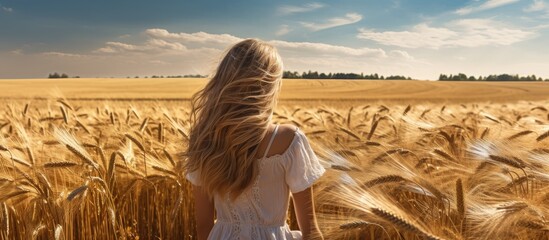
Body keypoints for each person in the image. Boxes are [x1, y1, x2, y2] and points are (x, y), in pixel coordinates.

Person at [184, 39, 325, 240]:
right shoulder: (289, 140)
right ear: (269, 87)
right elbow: (311, 231)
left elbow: (203, 227)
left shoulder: (204, 140)